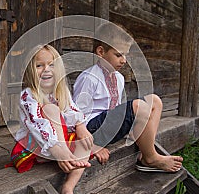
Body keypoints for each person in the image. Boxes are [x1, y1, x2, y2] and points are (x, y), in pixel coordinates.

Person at [73, 23, 183, 172]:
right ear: (101, 52)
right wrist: (93, 147)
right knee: (138, 106)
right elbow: (76, 117)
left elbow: (116, 109)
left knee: (154, 100)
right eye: (118, 55)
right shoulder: (89, 78)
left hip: (109, 127)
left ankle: (146, 151)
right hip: (91, 131)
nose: (124, 60)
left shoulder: (118, 78)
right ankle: (150, 158)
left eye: (125, 55)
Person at [8, 44, 93, 194]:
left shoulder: (61, 91)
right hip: (37, 145)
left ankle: (69, 187)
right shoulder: (28, 95)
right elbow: (36, 123)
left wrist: (80, 125)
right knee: (51, 109)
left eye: (51, 65)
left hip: (58, 143)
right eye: (39, 65)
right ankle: (64, 155)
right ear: (31, 70)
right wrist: (57, 149)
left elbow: (72, 110)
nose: (46, 70)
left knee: (86, 142)